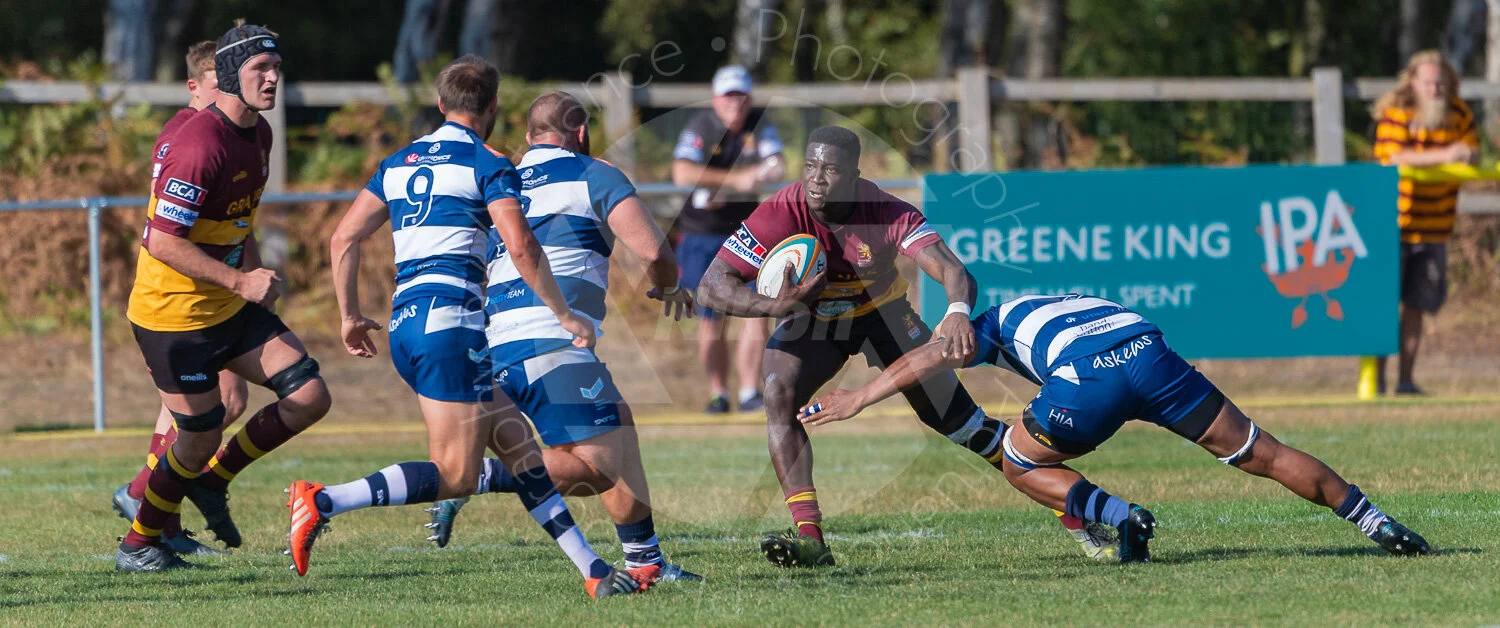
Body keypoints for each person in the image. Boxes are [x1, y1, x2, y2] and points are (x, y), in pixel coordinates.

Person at [286, 58, 642, 600]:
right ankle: (324, 500)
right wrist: (564, 314)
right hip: (452, 324)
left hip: (406, 322)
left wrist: (349, 316)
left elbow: (343, 238)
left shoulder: (397, 162)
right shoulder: (488, 162)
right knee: (454, 473)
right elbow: (521, 246)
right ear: (493, 106)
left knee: (520, 448)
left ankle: (592, 571)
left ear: (440, 103)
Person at [695, 126, 1109, 567]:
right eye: (810, 166)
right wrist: (775, 305)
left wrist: (956, 311)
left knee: (961, 425)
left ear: (854, 175)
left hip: (884, 316)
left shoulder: (886, 211)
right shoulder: (782, 210)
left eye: (830, 169)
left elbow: (952, 268)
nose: (816, 178)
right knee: (778, 391)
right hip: (815, 320)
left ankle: (1077, 511)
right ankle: (811, 538)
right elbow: (710, 286)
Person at [800, 294, 1432, 561]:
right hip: (1149, 352)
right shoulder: (1062, 300)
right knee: (1259, 451)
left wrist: (858, 398)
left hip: (1088, 377)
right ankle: (1376, 522)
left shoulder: (987, 324)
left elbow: (929, 358)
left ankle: (1119, 515)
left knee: (1018, 460)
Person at [116, 20, 334, 572]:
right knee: (199, 435)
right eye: (262, 68)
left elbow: (239, 222)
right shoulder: (198, 144)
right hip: (173, 316)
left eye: (277, 67)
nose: (273, 78)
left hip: (228, 306)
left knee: (310, 396)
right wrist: (241, 282)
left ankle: (213, 482)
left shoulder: (259, 135)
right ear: (233, 75)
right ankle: (139, 544)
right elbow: (162, 241)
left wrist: (254, 279)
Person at [109, 39, 249, 557]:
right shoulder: (187, 136)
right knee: (212, 411)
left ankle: (150, 505)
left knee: (203, 411)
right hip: (181, 304)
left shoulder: (234, 133)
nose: (228, 93)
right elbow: (168, 234)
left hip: (214, 299)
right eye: (218, 83)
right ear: (195, 87)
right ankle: (149, 504)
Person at [671, 65, 784, 414]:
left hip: (747, 235)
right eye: (728, 96)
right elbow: (681, 173)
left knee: (757, 312)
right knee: (711, 317)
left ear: (749, 98)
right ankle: (718, 393)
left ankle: (750, 392)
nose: (734, 103)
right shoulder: (700, 127)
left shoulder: (760, 126)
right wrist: (735, 180)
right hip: (702, 234)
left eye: (740, 96)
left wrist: (759, 173)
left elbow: (777, 165)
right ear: (715, 99)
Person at [1371, 50, 1479, 395]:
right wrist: (1446, 155)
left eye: (1441, 83)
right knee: (1382, 307)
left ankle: (1405, 381)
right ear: (1413, 83)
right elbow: (1393, 156)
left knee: (1416, 307)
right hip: (1392, 227)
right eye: (1429, 83)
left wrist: (1469, 155)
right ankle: (1375, 383)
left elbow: (1473, 152)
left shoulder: (1459, 113)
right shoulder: (1397, 112)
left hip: (1435, 228)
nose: (1435, 90)